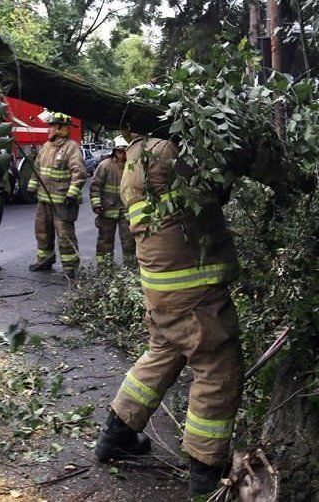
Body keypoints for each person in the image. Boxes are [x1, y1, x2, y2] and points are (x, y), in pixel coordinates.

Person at [93, 130, 242, 499]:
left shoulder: (136, 155)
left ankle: (116, 435)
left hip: (162, 286)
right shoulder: (172, 150)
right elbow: (215, 188)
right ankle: (206, 476)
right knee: (217, 367)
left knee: (163, 353)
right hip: (194, 288)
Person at [27, 112, 86, 278]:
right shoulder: (46, 147)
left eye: (51, 126)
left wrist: (72, 194)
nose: (48, 130)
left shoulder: (71, 147)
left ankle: (70, 267)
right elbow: (36, 169)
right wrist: (32, 187)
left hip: (63, 202)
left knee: (65, 236)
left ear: (61, 128)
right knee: (42, 231)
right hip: (44, 200)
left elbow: (79, 173)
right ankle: (44, 260)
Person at [89, 136, 135, 268]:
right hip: (107, 211)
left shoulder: (133, 165)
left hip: (127, 212)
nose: (122, 155)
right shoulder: (105, 166)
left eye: (125, 151)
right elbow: (95, 186)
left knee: (129, 242)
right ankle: (104, 269)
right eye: (119, 151)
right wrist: (96, 205)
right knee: (104, 242)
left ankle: (131, 268)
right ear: (114, 151)